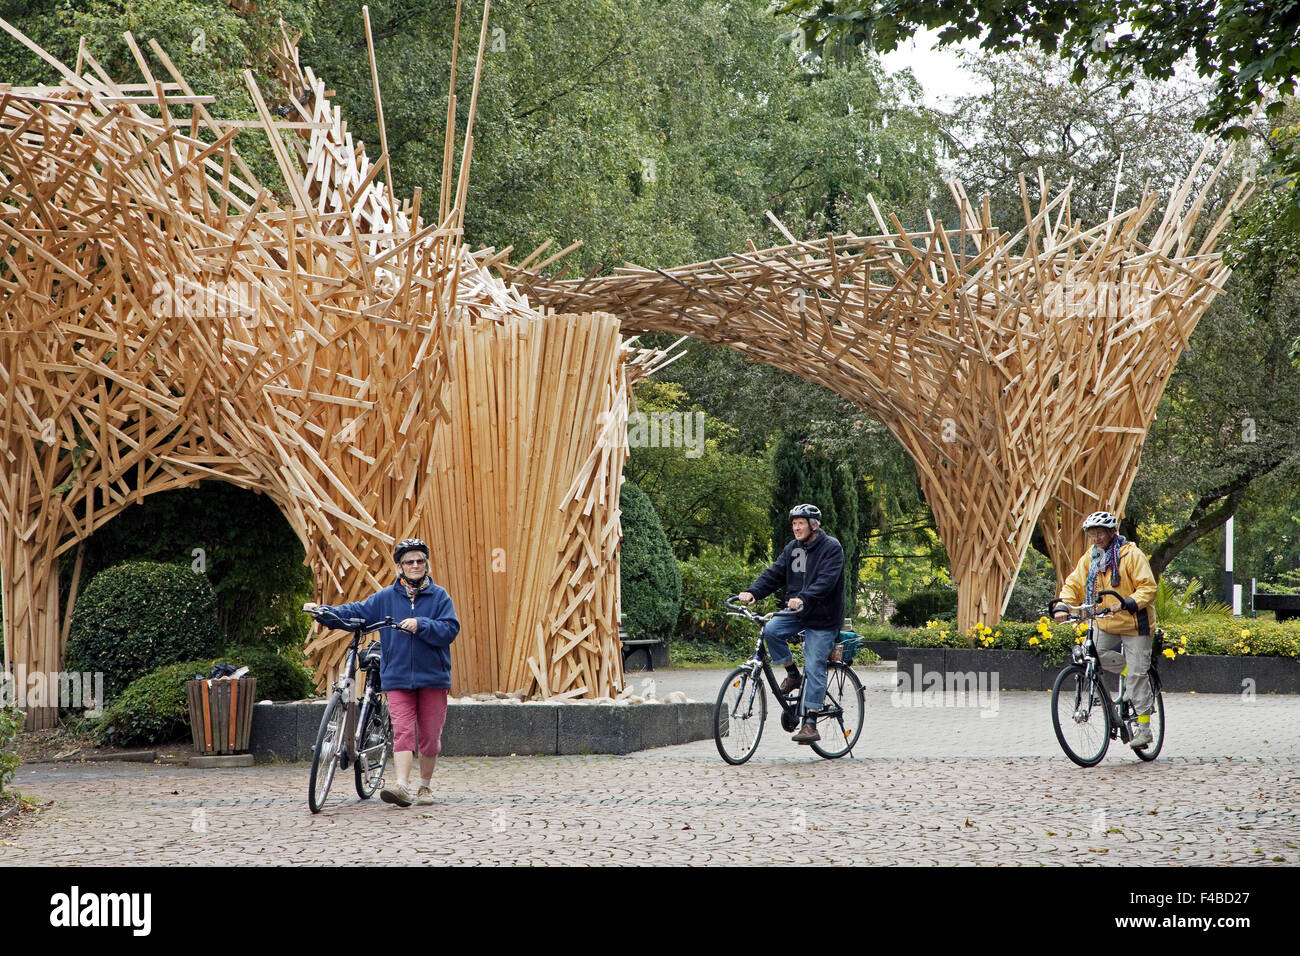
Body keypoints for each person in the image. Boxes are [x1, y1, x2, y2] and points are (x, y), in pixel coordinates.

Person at [304, 538, 460, 806]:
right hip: (397, 677)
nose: (415, 565)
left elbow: (450, 629)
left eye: (420, 561)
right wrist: (323, 613)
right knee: (402, 731)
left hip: (433, 678)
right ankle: (401, 787)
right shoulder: (385, 598)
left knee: (430, 737)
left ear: (426, 565)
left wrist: (421, 624)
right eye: (409, 562)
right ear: (399, 567)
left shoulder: (440, 597)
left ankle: (425, 786)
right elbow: (356, 612)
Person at [738, 503, 846, 744]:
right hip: (797, 612)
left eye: (801, 523)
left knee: (815, 662)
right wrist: (753, 592)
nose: (796, 528)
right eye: (794, 524)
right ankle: (792, 674)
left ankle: (810, 721)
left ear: (813, 525)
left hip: (823, 617)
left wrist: (804, 598)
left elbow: (826, 582)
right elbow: (775, 573)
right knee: (772, 630)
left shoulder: (831, 548)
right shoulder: (793, 549)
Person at [1054, 511, 1158, 748]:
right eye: (1092, 534)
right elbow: (1073, 584)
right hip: (1105, 622)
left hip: (1134, 623)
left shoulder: (1131, 555)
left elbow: (1148, 587)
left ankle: (1144, 730)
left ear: (1113, 532)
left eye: (1100, 533)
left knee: (1138, 675)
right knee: (1091, 654)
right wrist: (1062, 605)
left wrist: (1126, 603)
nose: (1096, 538)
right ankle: (1128, 672)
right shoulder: (1090, 559)